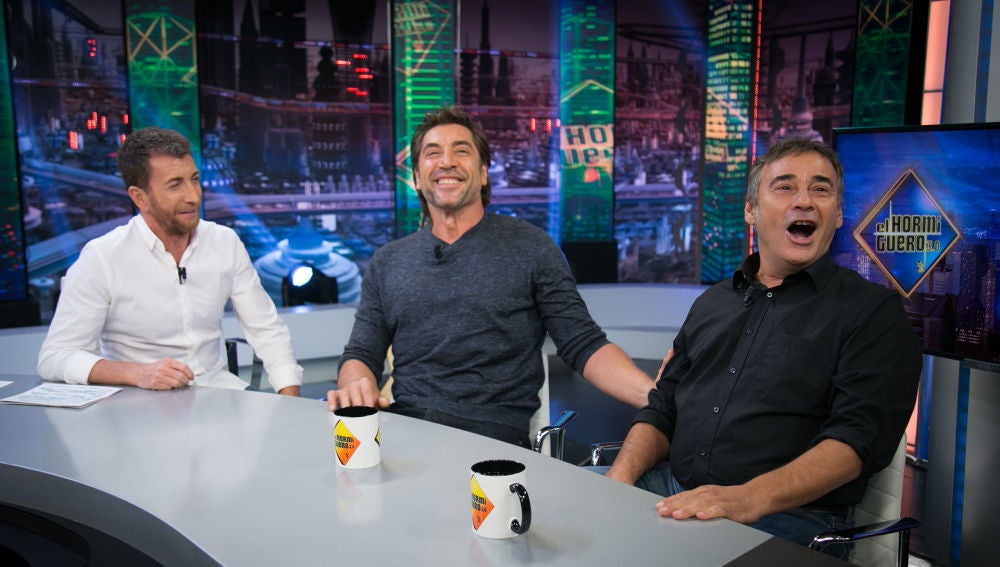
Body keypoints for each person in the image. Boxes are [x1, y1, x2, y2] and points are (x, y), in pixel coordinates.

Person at [605, 138, 922, 552]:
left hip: (789, 519)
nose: (804, 201)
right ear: (751, 210)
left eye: (821, 189)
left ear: (838, 214)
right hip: (671, 491)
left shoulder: (872, 313)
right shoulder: (713, 302)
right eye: (785, 187)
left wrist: (744, 498)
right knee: (558, 518)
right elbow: (663, 408)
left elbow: (855, 443)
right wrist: (619, 480)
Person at [328, 106, 654, 447]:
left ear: (483, 173)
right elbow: (360, 354)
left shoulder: (531, 247)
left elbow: (584, 345)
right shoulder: (387, 261)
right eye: (433, 153)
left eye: (461, 151)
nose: (446, 162)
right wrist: (356, 384)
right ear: (417, 178)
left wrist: (655, 398)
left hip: (490, 442)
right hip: (406, 431)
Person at [38, 127, 302, 396]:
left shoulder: (225, 242)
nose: (193, 196)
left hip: (218, 391)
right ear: (140, 197)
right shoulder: (102, 257)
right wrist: (137, 373)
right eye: (175, 185)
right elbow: (55, 357)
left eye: (194, 179)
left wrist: (291, 401)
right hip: (139, 400)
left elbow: (266, 330)